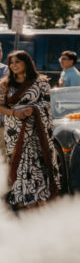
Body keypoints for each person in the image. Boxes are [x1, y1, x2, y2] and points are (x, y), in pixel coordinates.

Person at [1, 51, 61, 209]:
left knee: (37, 162)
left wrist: (33, 109)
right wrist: (15, 113)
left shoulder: (41, 82)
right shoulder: (5, 84)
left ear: (26, 63)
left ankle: (40, 196)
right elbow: (0, 106)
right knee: (19, 162)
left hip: (36, 129)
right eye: (11, 62)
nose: (14, 65)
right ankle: (22, 197)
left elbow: (47, 104)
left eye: (17, 62)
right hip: (14, 129)